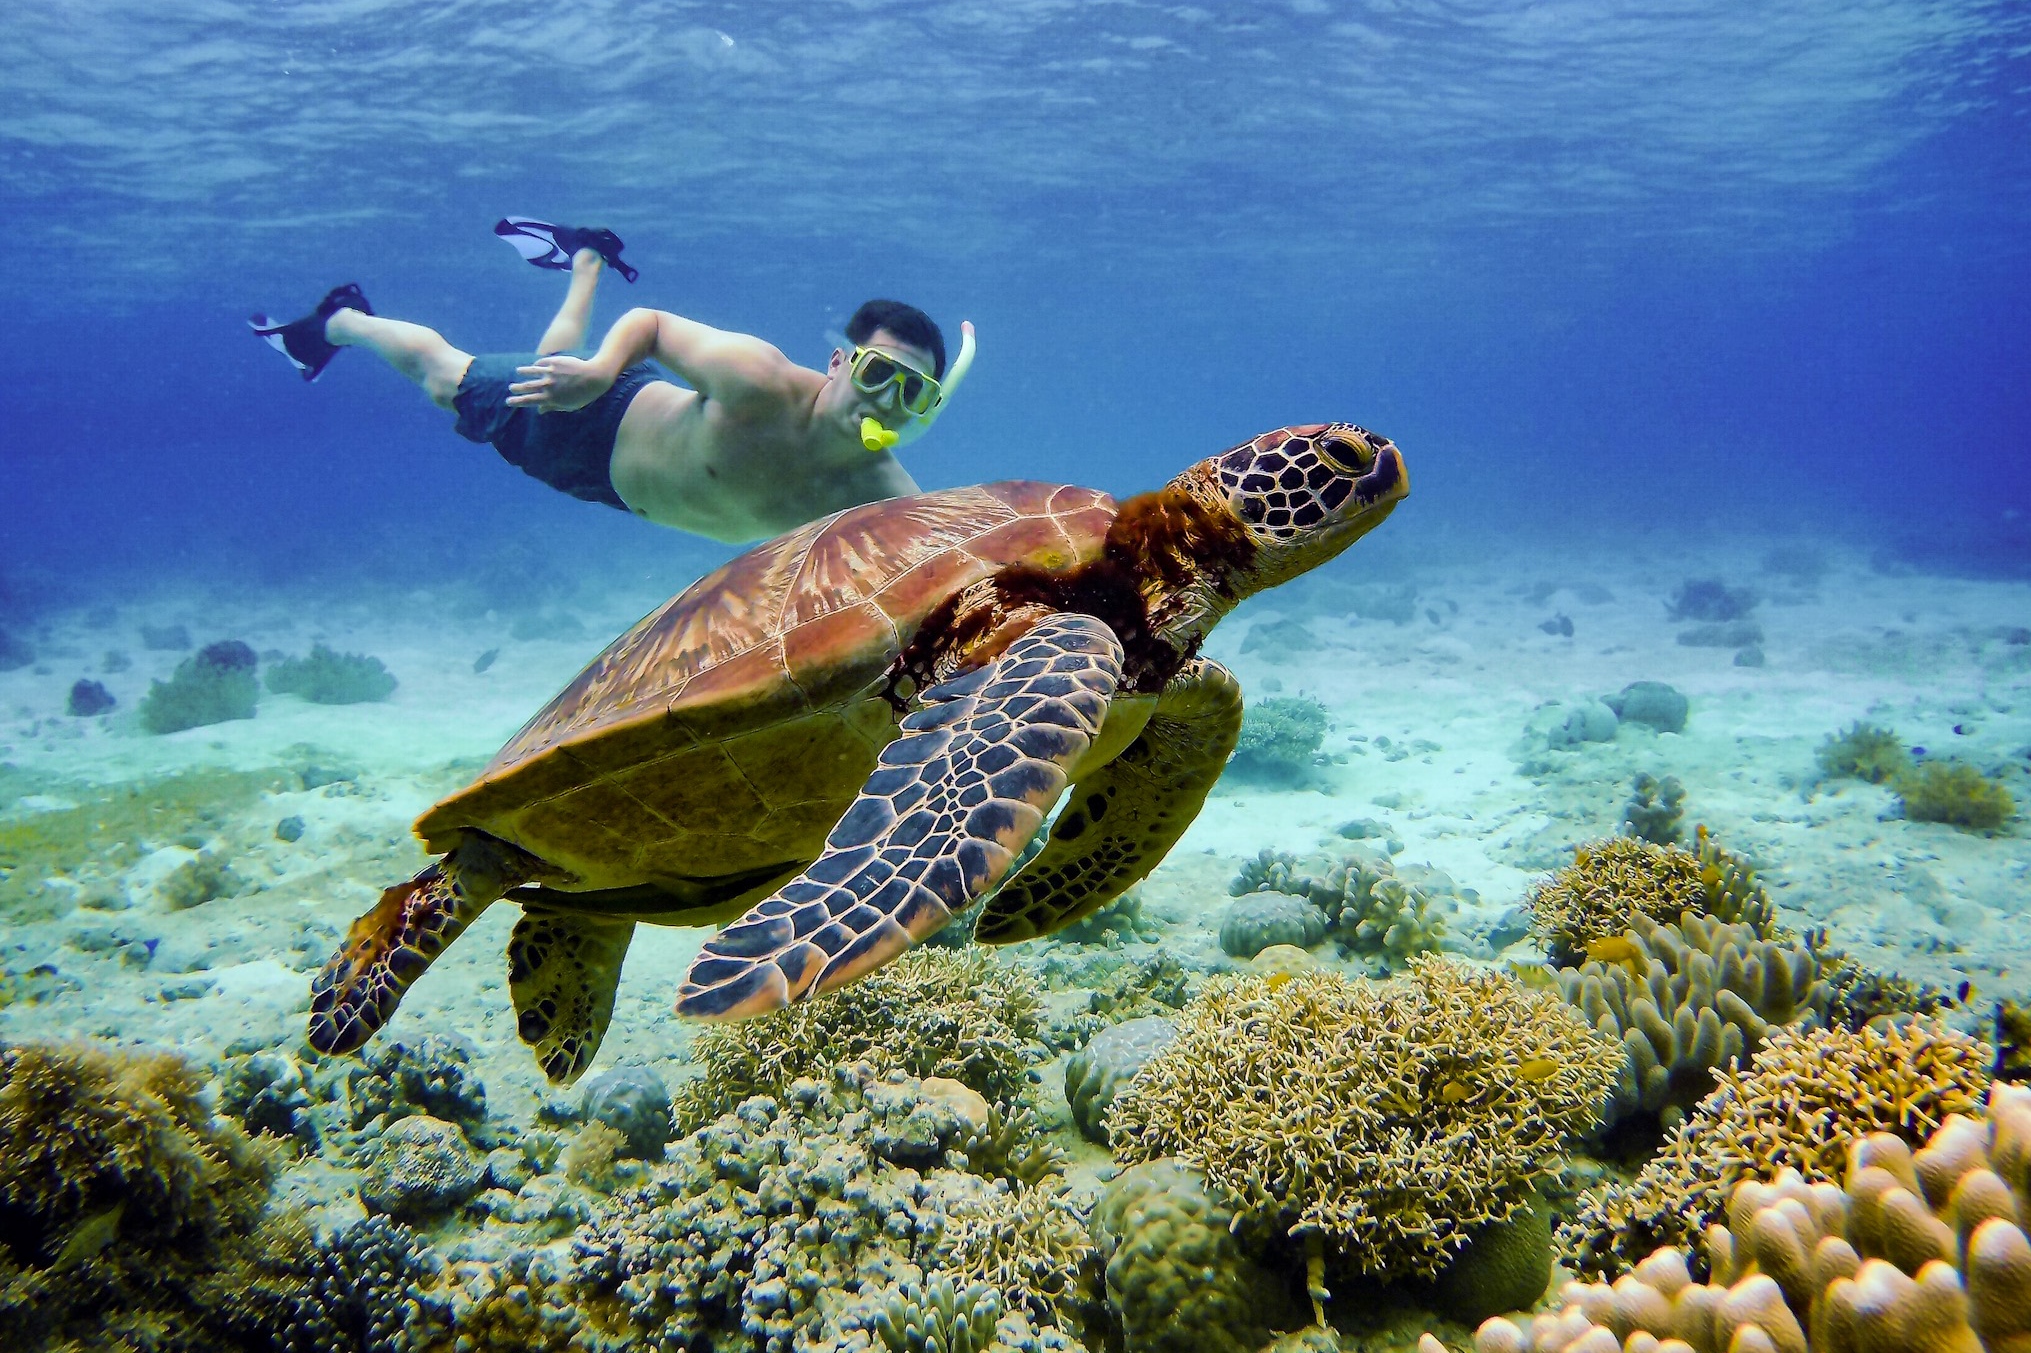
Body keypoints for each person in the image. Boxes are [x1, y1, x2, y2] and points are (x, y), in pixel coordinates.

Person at [250, 220, 975, 544]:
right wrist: (599, 373)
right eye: (880, 373)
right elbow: (653, 324)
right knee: (446, 379)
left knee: (546, 362)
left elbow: (945, 561)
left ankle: (586, 258)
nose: (886, 400)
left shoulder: (886, 495)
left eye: (911, 393)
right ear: (841, 363)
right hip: (599, 418)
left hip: (616, 493)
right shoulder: (758, 380)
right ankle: (341, 323)